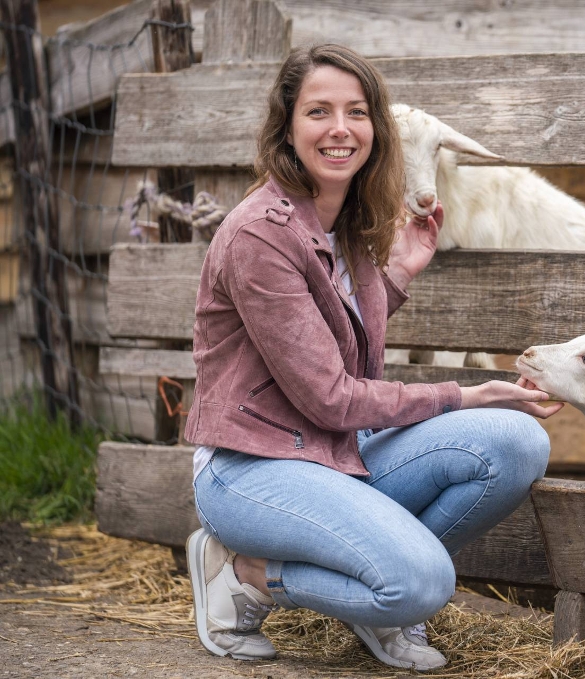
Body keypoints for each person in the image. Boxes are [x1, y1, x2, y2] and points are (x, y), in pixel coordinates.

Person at [184, 44, 562, 671]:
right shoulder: (259, 236)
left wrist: (395, 275)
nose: (340, 128)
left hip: (335, 454)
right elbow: (332, 396)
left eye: (356, 112)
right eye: (318, 111)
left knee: (516, 443)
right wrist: (464, 394)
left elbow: (333, 331)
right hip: (251, 469)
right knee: (421, 585)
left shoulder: (351, 221)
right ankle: (247, 574)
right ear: (286, 127)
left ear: (375, 127)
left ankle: (375, 594)